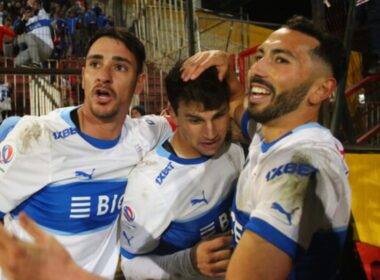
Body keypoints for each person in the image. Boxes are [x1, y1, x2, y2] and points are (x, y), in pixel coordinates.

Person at [183, 15, 351, 279]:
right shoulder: (269, 131)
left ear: (320, 90)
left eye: (281, 59)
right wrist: (225, 67)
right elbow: (238, 101)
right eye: (261, 55)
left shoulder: (302, 169)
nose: (257, 68)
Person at [0, 28, 175, 279]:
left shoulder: (145, 134)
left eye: (120, 67)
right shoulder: (38, 138)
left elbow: (200, 123)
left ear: (139, 83)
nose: (103, 76)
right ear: (83, 76)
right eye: (95, 64)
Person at [120, 62, 244, 279]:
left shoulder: (234, 150)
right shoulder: (149, 186)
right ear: (173, 114)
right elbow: (130, 265)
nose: (211, 132)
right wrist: (189, 262)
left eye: (218, 116)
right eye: (196, 120)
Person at [13, 0, 53, 67]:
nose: (32, 6)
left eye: (34, 4)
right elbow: (16, 31)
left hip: (46, 46)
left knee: (29, 36)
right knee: (17, 62)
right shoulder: (25, 21)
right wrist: (24, 20)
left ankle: (36, 62)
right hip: (34, 51)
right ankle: (36, 73)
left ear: (38, 5)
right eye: (30, 5)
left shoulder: (43, 13)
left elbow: (47, 3)